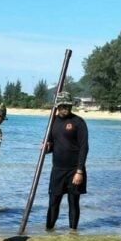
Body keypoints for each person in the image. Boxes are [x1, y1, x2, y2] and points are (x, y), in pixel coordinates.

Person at [44, 91, 89, 231]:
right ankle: (49, 231)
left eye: (68, 106)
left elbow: (84, 148)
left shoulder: (78, 122)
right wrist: (46, 147)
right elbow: (51, 144)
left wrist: (79, 171)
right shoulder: (53, 121)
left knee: (73, 202)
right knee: (53, 202)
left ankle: (73, 232)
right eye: (62, 106)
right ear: (57, 106)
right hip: (57, 170)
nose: (65, 109)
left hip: (74, 170)